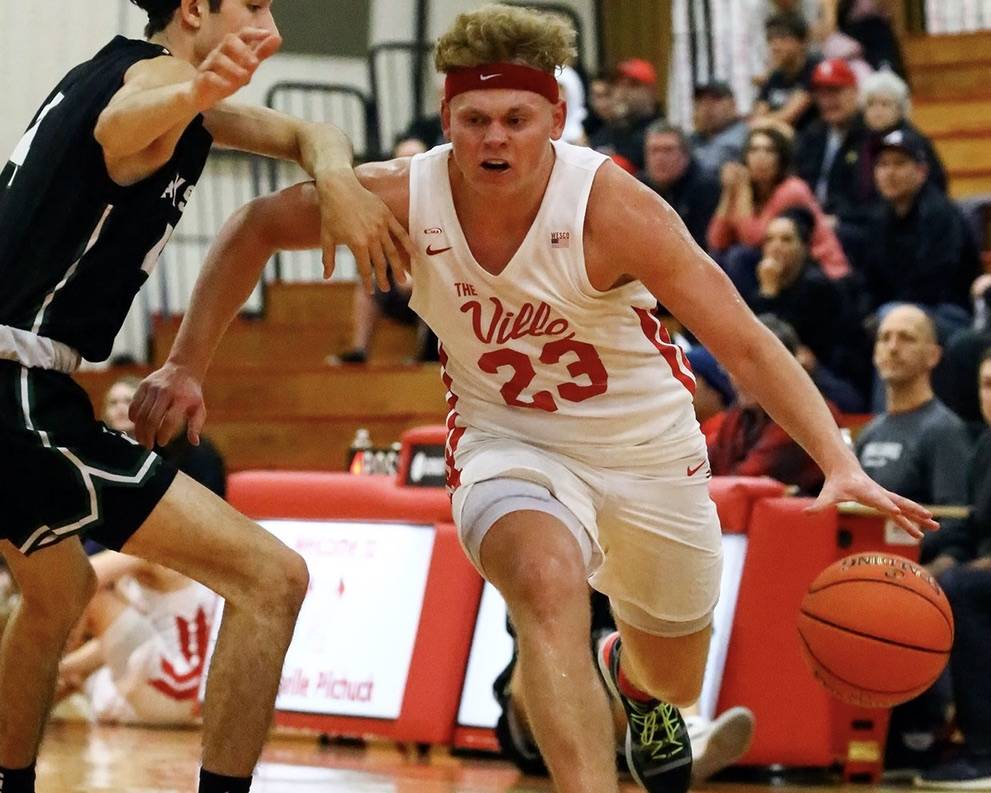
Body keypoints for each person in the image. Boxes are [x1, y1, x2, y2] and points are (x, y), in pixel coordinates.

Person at [133, 7, 936, 793]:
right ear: (446, 116)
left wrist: (837, 460)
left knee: (673, 666)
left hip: (646, 450)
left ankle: (636, 681)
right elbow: (250, 228)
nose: (492, 139)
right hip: (506, 438)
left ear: (555, 116)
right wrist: (185, 366)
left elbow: (746, 343)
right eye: (473, 118)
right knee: (545, 587)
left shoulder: (613, 208)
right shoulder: (404, 197)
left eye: (516, 117)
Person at [0, 0, 413, 791]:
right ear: (194, 8)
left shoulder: (125, 75)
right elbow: (123, 127)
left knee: (61, 590)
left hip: (29, 385)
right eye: (253, 4)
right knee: (271, 578)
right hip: (15, 393)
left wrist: (333, 180)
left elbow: (306, 134)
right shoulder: (149, 84)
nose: (271, 24)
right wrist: (189, 94)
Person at [494, 588, 756, 785]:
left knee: (646, 651)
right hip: (532, 729)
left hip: (616, 722)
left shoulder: (649, 568)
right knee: (553, 651)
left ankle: (682, 734)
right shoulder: (552, 555)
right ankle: (664, 748)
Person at [915, 348, 991, 790]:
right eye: (986, 384)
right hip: (979, 570)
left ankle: (984, 750)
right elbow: (969, 527)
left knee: (964, 589)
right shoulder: (984, 446)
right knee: (923, 588)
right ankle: (912, 739)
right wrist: (931, 569)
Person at [708, 125, 850, 297]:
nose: (760, 157)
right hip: (780, 266)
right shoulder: (747, 192)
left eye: (769, 151)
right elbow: (716, 242)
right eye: (754, 150)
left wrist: (742, 190)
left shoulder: (793, 190)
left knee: (740, 256)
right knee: (716, 259)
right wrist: (728, 194)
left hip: (819, 270)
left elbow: (754, 239)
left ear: (781, 159)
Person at [860, 130, 982, 326]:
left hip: (948, 312)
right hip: (896, 309)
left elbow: (934, 282)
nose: (889, 173)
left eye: (899, 163)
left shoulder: (941, 215)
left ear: (921, 171)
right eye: (883, 164)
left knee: (888, 318)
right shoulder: (879, 217)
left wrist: (894, 313)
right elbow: (870, 279)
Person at [708, 314, 838, 494]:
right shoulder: (737, 416)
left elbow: (744, 483)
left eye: (753, 366)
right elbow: (703, 468)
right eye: (731, 366)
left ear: (786, 367)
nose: (739, 378)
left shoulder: (806, 417)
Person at [860, 70, 947, 194]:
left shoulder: (912, 142)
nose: (877, 111)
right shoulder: (859, 140)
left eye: (885, 104)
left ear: (900, 109)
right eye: (871, 104)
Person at [640, 122, 721, 249]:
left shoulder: (705, 186)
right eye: (654, 150)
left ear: (685, 155)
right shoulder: (639, 185)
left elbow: (702, 245)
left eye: (668, 150)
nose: (660, 158)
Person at [753, 12, 821, 132]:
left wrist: (762, 122)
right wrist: (761, 122)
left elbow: (788, 116)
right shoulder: (775, 76)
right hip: (777, 139)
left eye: (783, 39)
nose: (775, 46)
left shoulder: (814, 68)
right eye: (770, 39)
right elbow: (758, 115)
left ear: (803, 42)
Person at [590, 58, 662, 172]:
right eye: (619, 84)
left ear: (651, 91)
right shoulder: (605, 131)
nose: (623, 91)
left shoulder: (660, 133)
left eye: (633, 85)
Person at [689, 81, 749, 174]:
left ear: (733, 105)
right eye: (701, 100)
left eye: (715, 99)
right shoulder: (694, 138)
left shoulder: (742, 137)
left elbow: (707, 170)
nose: (707, 106)